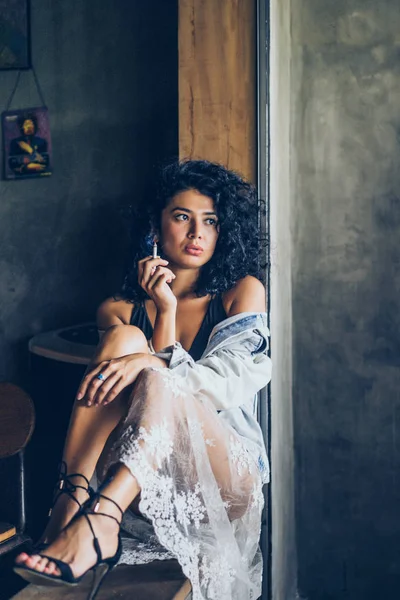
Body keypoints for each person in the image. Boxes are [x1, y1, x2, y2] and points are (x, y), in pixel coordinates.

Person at [14, 159, 272, 600]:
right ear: (155, 227)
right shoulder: (117, 308)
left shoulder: (241, 291)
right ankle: (75, 501)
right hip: (144, 474)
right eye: (181, 217)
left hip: (225, 473)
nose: (196, 234)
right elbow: (140, 403)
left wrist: (158, 348)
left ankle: (92, 516)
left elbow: (229, 384)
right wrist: (162, 314)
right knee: (126, 338)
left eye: (210, 221)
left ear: (223, 231)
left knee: (149, 366)